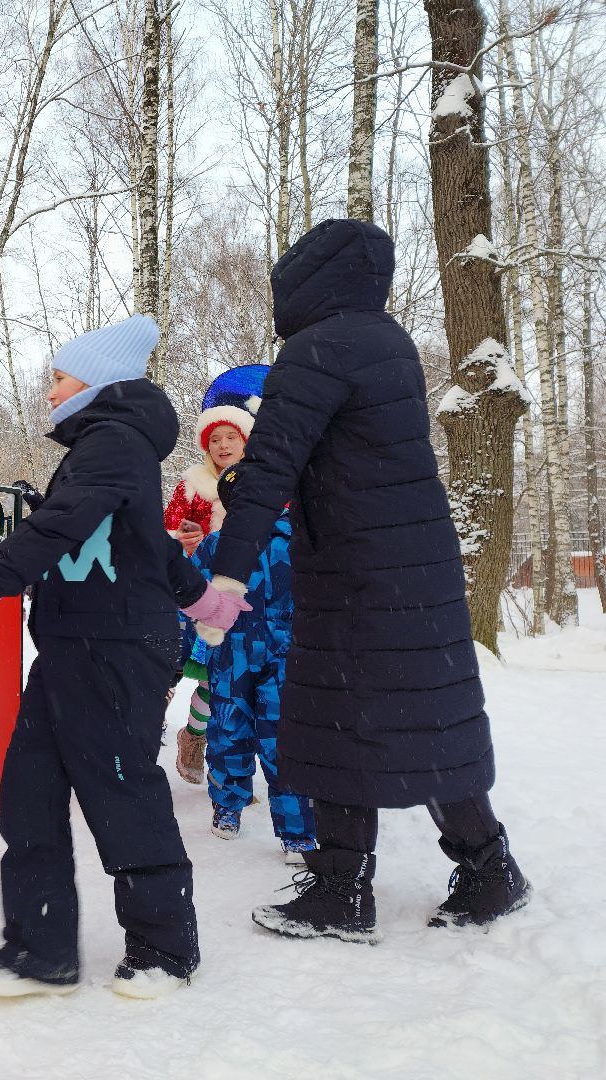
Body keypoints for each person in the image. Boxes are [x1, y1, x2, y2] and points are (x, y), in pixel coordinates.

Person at [207, 219, 531, 943]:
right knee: (422, 721)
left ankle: (341, 891)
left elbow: (273, 468)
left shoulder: (314, 349)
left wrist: (228, 572)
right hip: (411, 570)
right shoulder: (386, 341)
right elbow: (335, 462)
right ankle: (486, 869)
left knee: (339, 723)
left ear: (307, 279)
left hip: (358, 575)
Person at [0, 316, 249, 1000]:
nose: (49, 390)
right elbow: (152, 547)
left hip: (116, 650)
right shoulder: (100, 447)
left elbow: (64, 524)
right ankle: (41, 948)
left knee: (120, 794)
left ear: (100, 380)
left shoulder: (114, 443)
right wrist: (203, 601)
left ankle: (164, 948)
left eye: (59, 376)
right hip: (67, 646)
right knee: (29, 798)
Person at [191, 464, 316, 862]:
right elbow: (192, 597)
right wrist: (187, 652)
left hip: (287, 657)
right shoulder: (215, 546)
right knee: (228, 731)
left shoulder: (298, 541)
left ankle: (297, 829)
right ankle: (228, 805)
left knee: (285, 739)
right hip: (231, 656)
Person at [165, 368, 262, 785]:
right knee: (200, 668)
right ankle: (181, 733)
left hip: (251, 590)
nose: (223, 445)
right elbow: (166, 530)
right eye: (215, 439)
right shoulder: (193, 483)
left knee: (231, 681)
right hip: (197, 589)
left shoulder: (267, 484)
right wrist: (186, 539)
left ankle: (206, 740)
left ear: (246, 440)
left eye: (232, 438)